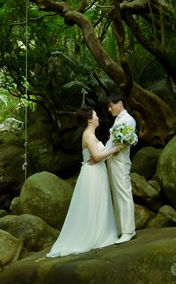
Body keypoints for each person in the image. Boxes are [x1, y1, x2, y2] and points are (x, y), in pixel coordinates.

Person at [47, 105, 121, 257]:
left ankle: (100, 232)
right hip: (92, 174)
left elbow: (97, 155)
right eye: (95, 115)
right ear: (89, 119)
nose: (98, 118)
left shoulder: (91, 135)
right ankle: (91, 236)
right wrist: (115, 150)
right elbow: (97, 157)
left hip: (97, 172)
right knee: (92, 204)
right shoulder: (88, 135)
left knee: (99, 203)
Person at [104, 93, 138, 242]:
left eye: (111, 105)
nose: (109, 109)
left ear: (120, 104)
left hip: (120, 160)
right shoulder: (118, 120)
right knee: (116, 194)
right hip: (112, 159)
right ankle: (119, 228)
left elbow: (124, 142)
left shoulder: (128, 119)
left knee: (124, 193)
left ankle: (129, 230)